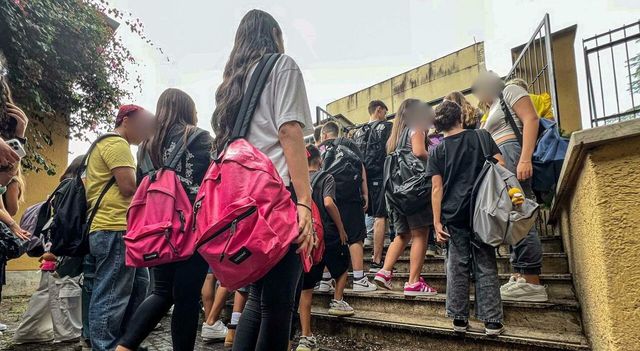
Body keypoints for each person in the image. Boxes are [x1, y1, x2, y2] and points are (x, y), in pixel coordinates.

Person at [210, 9, 314, 350]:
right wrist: (303, 201)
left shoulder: (233, 85)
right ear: (273, 33)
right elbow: (289, 130)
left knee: (258, 299)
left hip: (242, 203)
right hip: (276, 196)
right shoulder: (281, 65)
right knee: (279, 304)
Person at [116, 89, 212, 351]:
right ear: (187, 109)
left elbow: (140, 187)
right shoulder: (199, 137)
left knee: (161, 292)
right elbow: (212, 182)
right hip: (192, 227)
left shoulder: (147, 144)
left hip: (157, 229)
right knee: (187, 298)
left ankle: (123, 347)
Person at [427, 99, 505, 335]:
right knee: (485, 262)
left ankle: (459, 319)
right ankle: (492, 320)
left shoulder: (437, 150)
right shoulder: (481, 137)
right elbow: (501, 166)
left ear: (439, 125)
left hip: (453, 214)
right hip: (483, 210)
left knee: (456, 265)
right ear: (460, 117)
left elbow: (436, 189)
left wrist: (437, 222)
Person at [473, 71, 548, 302]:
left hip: (514, 155)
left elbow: (531, 119)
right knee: (511, 215)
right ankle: (519, 274)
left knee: (520, 213)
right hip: (503, 161)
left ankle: (532, 280)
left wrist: (525, 159)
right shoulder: (494, 105)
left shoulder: (510, 91)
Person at [84, 104, 152, 351]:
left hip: (118, 228)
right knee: (112, 293)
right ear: (126, 120)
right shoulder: (116, 143)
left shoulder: (109, 144)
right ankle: (105, 346)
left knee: (137, 288)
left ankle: (125, 343)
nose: (146, 130)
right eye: (143, 124)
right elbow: (129, 187)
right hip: (115, 226)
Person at [13, 157, 84, 345]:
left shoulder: (61, 188)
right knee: (62, 293)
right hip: (58, 251)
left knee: (46, 294)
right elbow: (67, 224)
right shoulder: (71, 188)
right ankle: (66, 334)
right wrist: (60, 250)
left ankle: (29, 332)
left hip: (52, 250)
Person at [373, 99, 438, 296]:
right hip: (414, 189)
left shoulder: (395, 136)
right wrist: (435, 159)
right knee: (420, 234)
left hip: (396, 192)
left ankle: (384, 271)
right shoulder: (416, 128)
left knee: (403, 234)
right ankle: (413, 282)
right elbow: (419, 152)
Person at [296, 144, 354, 351]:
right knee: (344, 265)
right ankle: (337, 300)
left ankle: (306, 336)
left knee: (306, 288)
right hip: (327, 231)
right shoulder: (326, 177)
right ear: (319, 160)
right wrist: (341, 228)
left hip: (306, 235)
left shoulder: (299, 179)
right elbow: (329, 203)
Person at [319, 121, 376, 292]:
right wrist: (365, 193)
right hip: (351, 197)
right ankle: (359, 278)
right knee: (355, 236)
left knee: (330, 238)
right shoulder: (349, 144)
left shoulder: (321, 148)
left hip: (328, 196)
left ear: (324, 135)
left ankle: (324, 279)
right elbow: (361, 166)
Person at [358, 100, 392, 272]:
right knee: (380, 216)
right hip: (380, 174)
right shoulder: (386, 127)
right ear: (379, 110)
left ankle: (358, 260)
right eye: (385, 112)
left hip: (361, 179)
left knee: (364, 216)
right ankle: (376, 259)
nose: (385, 115)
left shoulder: (358, 131)